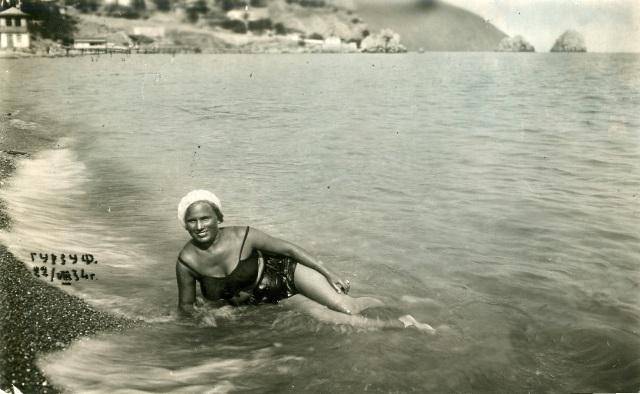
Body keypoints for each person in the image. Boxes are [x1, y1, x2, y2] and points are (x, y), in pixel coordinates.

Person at [176, 190, 435, 332]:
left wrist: (328, 272)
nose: (199, 226)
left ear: (218, 218)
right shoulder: (187, 262)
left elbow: (288, 248)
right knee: (327, 318)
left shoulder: (243, 235)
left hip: (287, 273)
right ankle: (404, 323)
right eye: (192, 221)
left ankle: (394, 305)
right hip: (269, 298)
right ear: (185, 225)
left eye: (205, 218)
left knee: (346, 307)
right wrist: (209, 319)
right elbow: (186, 306)